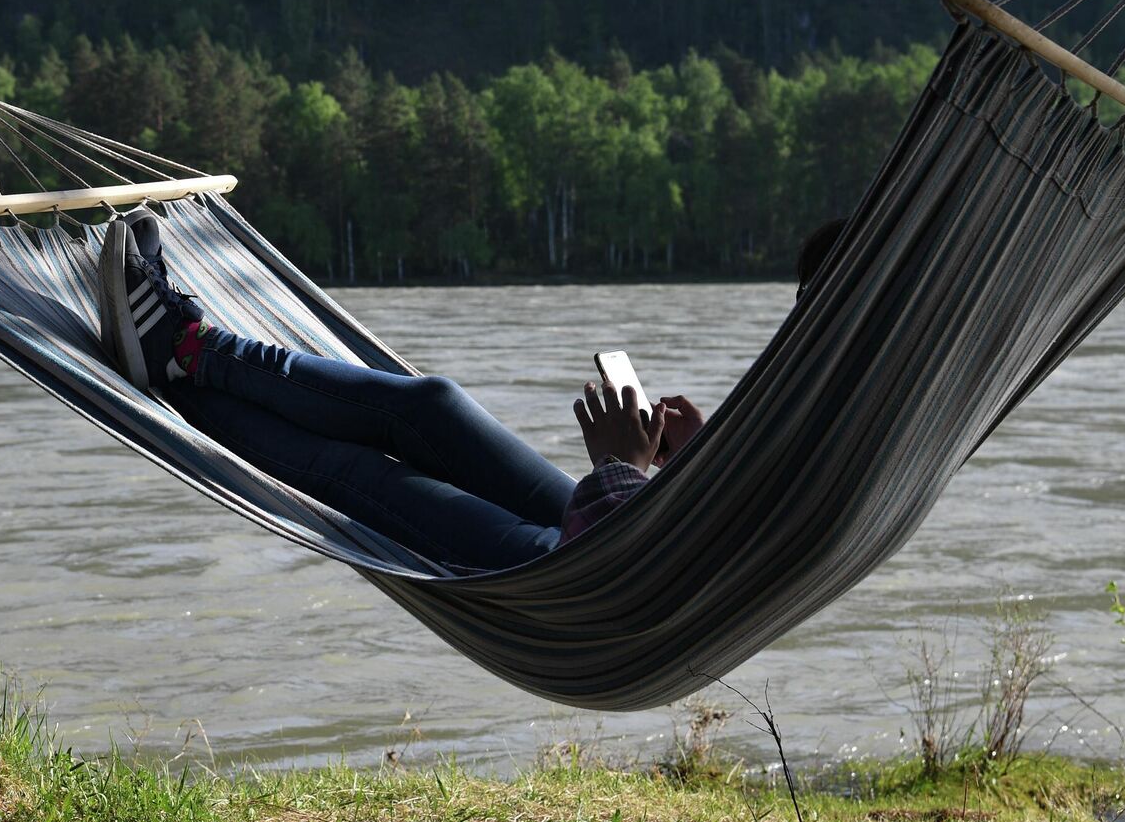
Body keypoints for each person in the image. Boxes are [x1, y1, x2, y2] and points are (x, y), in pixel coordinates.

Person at [100, 209, 847, 573]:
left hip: (588, 590)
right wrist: (695, 458)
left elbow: (650, 574)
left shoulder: (855, 418)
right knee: (433, 406)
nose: (799, 326)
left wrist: (619, 466)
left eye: (811, 307)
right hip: (626, 532)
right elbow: (740, 513)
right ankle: (187, 354)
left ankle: (183, 366)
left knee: (367, 481)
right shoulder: (830, 395)